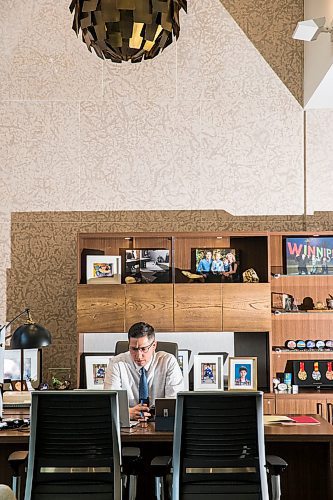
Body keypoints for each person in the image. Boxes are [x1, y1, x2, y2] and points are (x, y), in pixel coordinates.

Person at [104, 322, 184, 420]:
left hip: (161, 425)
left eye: (143, 349)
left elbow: (175, 405)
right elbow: (109, 404)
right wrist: (127, 413)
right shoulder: (116, 363)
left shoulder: (168, 362)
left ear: (154, 345)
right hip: (127, 427)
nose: (138, 355)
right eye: (134, 349)